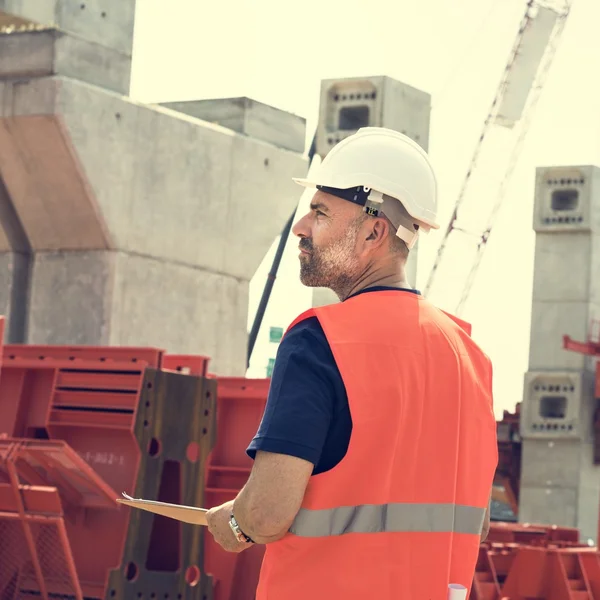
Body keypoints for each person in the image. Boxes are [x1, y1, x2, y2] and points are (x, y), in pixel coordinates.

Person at [206, 127, 498, 599]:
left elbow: (266, 513)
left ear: (373, 231)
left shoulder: (319, 340)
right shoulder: (470, 356)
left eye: (320, 213)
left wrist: (235, 522)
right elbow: (477, 523)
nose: (301, 228)